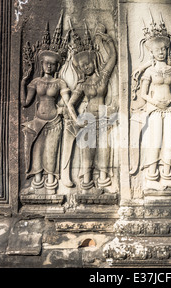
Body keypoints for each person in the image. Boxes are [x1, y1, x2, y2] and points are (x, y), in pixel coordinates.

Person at [135, 15, 171, 191]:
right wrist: (155, 102)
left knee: (169, 142)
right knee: (155, 141)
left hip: (170, 108)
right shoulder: (149, 71)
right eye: (158, 50)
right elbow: (143, 93)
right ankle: (151, 177)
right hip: (155, 109)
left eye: (164, 49)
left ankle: (166, 175)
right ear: (152, 53)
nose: (161, 52)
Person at [68, 24, 117, 193]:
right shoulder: (82, 84)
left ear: (93, 60)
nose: (85, 67)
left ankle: (104, 183)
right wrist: (77, 121)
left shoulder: (103, 76)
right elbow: (70, 104)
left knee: (104, 150)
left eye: (87, 63)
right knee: (88, 153)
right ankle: (87, 186)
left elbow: (113, 57)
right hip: (88, 118)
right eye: (81, 66)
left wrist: (104, 37)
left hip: (103, 116)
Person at [21, 48, 75, 194]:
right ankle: (37, 180)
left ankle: (51, 182)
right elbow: (25, 103)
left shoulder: (59, 83)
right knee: (37, 152)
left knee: (51, 152)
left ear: (57, 66)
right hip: (38, 121)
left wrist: (74, 116)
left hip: (54, 121)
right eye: (46, 63)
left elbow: (68, 102)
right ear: (42, 64)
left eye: (52, 64)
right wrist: (23, 83)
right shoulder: (36, 82)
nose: (49, 66)